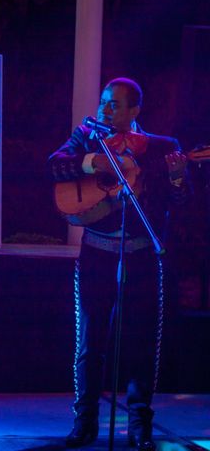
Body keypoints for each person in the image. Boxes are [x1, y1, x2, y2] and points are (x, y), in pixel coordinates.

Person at [48, 77, 189, 451]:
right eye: (104, 102)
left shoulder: (161, 147)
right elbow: (55, 165)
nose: (105, 110)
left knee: (142, 341)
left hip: (142, 252)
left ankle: (140, 425)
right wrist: (91, 162)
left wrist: (177, 179)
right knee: (90, 341)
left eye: (114, 105)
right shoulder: (87, 136)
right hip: (97, 250)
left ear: (134, 111)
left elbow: (178, 203)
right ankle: (85, 422)